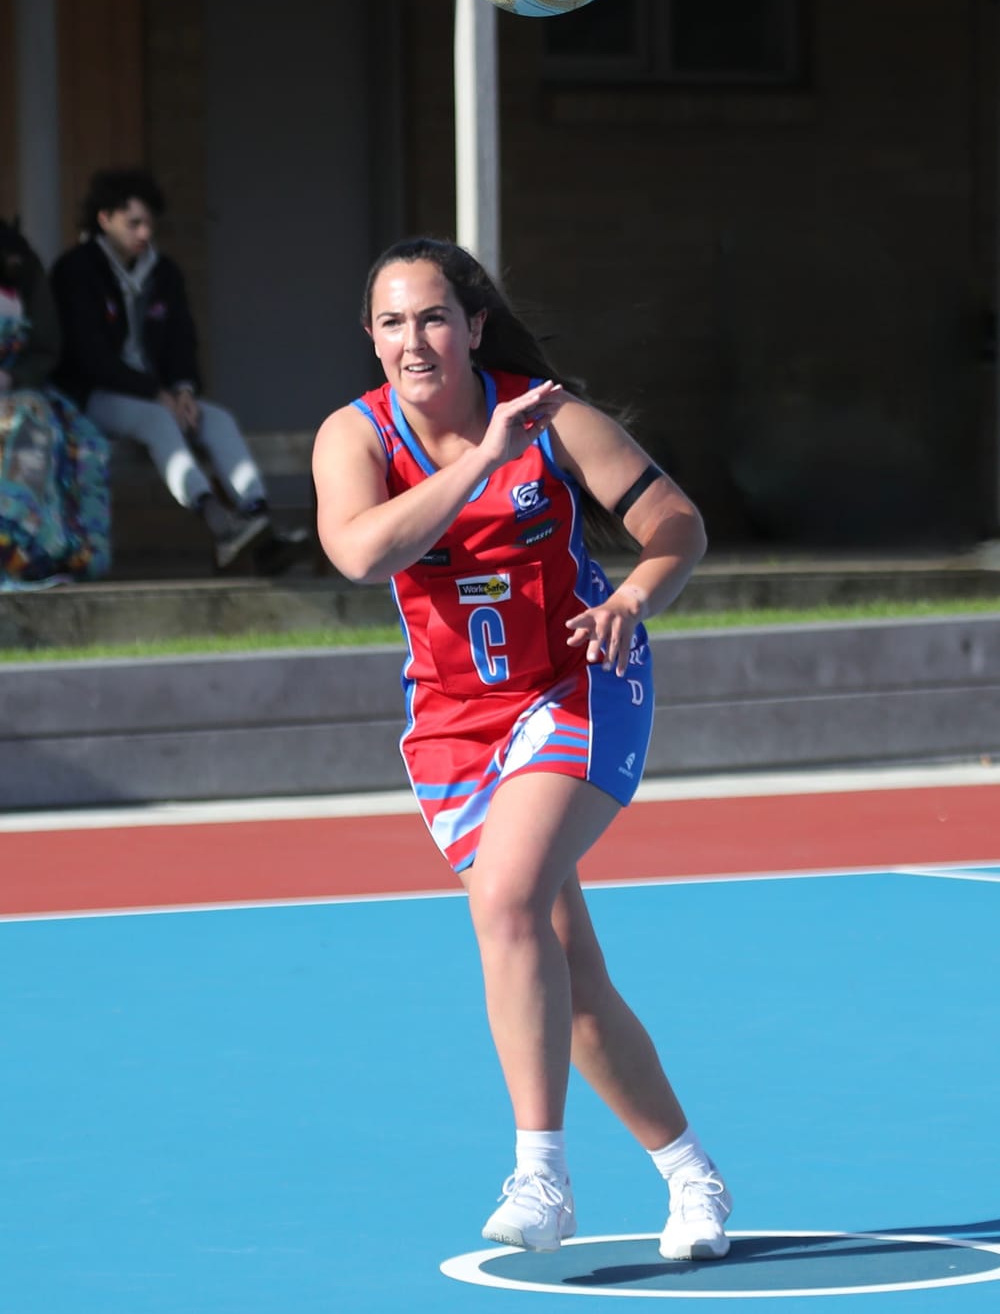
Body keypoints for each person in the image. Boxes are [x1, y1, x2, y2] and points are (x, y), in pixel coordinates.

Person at [312, 236, 732, 1258]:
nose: (415, 340)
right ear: (371, 340)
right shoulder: (353, 438)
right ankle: (693, 1177)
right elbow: (361, 551)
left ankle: (540, 1174)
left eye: (434, 318)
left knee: (504, 901)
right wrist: (480, 464)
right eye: (393, 322)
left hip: (579, 681)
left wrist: (634, 594)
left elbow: (677, 524)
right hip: (456, 720)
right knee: (568, 976)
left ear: (473, 326)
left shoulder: (551, 418)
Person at [49, 168, 308, 575]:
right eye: (133, 222)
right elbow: (90, 358)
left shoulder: (163, 271)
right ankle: (219, 523)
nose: (144, 232)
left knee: (217, 419)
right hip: (95, 397)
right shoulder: (76, 270)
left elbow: (181, 342)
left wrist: (184, 389)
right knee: (157, 419)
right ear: (105, 219)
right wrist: (158, 394)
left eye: (149, 222)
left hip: (160, 395)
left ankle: (258, 519)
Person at [0, 217, 110, 587]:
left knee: (63, 436)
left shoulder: (18, 258)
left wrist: (13, 377)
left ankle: (24, 545)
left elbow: (46, 344)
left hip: (17, 386)